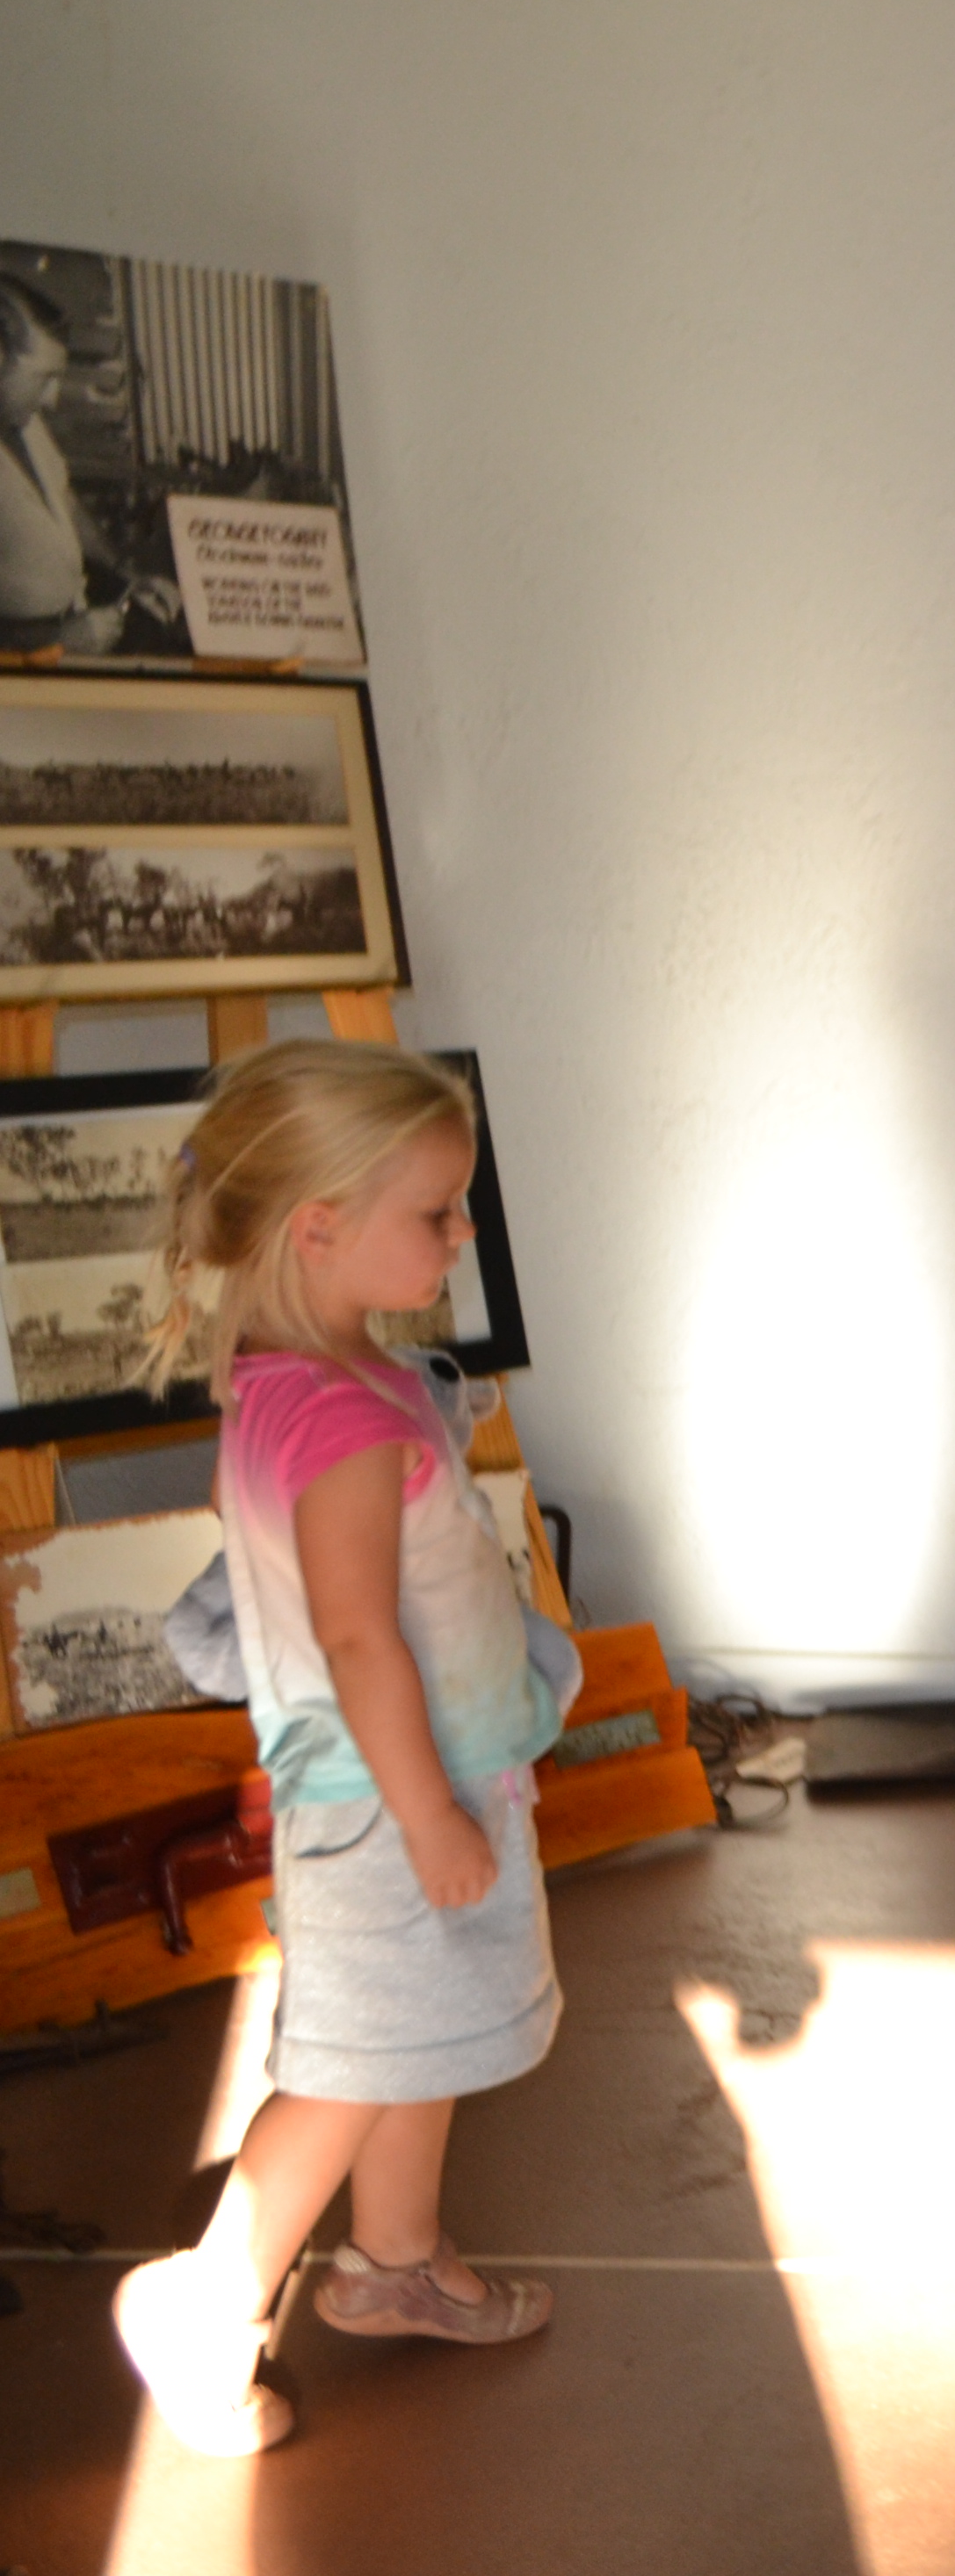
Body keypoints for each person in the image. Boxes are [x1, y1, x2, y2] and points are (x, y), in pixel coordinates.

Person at [112, 1042, 571, 2455]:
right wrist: (430, 1815)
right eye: (435, 1210)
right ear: (318, 1227)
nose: (461, 1232)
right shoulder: (340, 1416)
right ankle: (207, 2305)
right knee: (351, 2065)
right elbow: (358, 1636)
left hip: (419, 1776)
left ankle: (396, 2262)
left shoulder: (322, 1377)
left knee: (418, 2032)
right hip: (385, 1801)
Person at [0, 272, 144, 656]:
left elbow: (65, 503)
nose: (53, 399)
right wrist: (57, 639)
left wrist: (126, 571)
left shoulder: (24, 422)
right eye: (43, 378)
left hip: (74, 626)